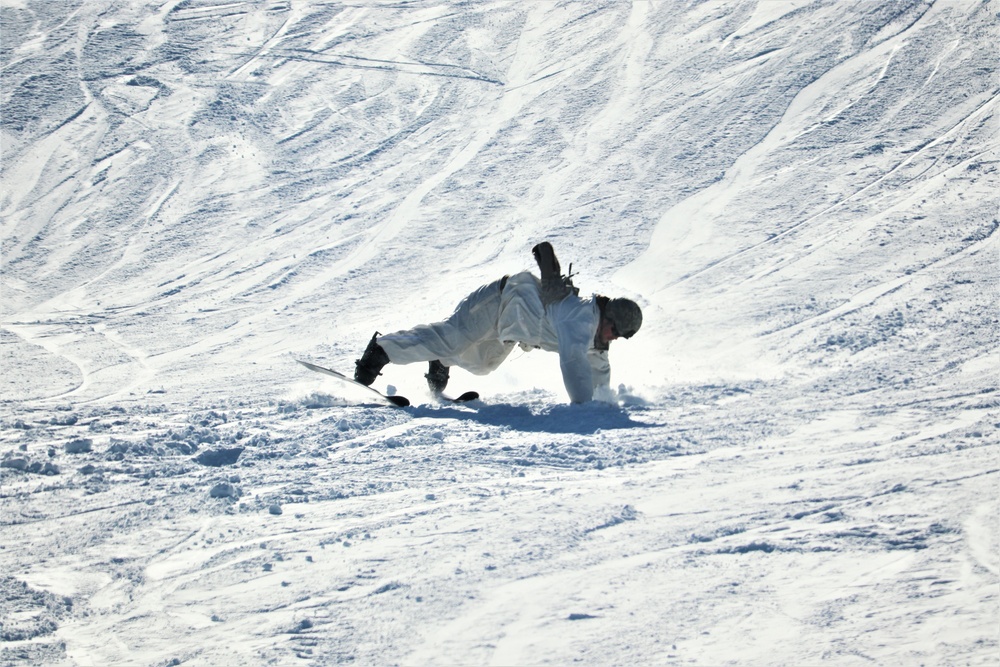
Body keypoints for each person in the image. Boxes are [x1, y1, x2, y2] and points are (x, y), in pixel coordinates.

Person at [353, 242, 642, 404]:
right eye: (615, 330)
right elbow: (574, 364)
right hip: (501, 299)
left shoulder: (597, 337)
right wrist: (585, 407)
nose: (615, 337)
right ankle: (380, 351)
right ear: (609, 317)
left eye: (621, 336)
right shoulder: (582, 320)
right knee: (452, 337)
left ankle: (442, 361)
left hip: (511, 327)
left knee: (483, 365)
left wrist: (604, 400)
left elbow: (598, 368)